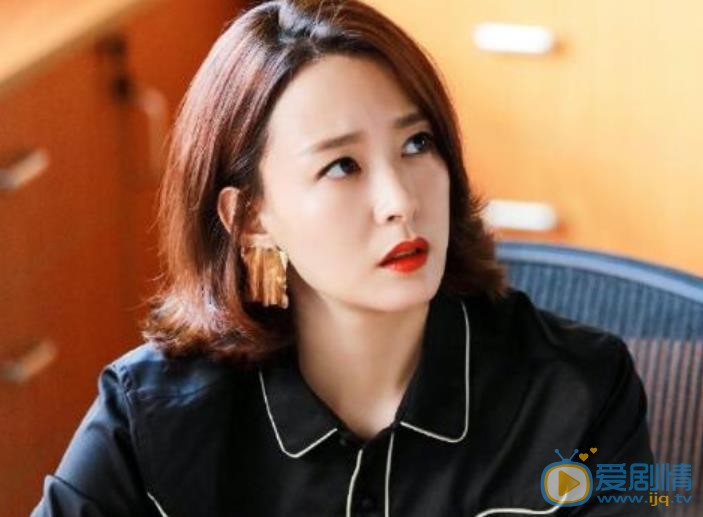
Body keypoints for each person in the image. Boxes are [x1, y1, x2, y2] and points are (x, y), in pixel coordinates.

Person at [32, 0, 659, 515]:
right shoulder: (148, 419)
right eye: (342, 166)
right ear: (248, 216)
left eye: (417, 144)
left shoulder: (583, 389)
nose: (400, 202)